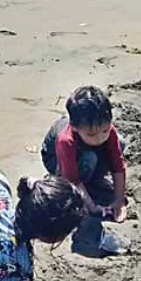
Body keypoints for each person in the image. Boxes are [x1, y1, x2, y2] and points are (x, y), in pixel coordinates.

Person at [41, 86, 128, 230]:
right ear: (75, 127)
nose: (100, 138)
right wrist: (92, 207)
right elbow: (73, 180)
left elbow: (118, 164)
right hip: (56, 158)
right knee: (89, 158)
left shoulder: (108, 130)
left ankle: (91, 179)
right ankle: (71, 182)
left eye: (105, 131)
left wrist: (119, 200)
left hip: (86, 152)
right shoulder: (66, 140)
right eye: (92, 135)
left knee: (120, 142)